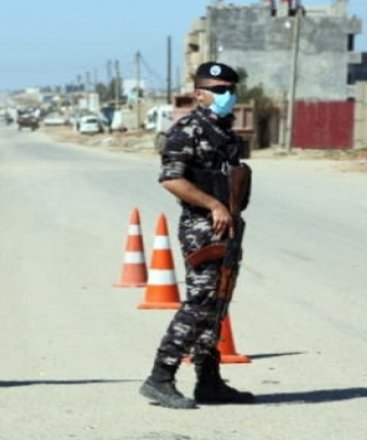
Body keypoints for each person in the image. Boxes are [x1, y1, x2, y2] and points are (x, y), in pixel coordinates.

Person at [139, 62, 255, 409]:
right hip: (202, 225)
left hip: (229, 225)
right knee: (199, 303)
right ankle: (159, 378)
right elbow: (171, 178)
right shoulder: (187, 130)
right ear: (199, 94)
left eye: (231, 90)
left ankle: (209, 381)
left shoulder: (227, 134)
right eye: (219, 90)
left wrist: (229, 213)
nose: (228, 96)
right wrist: (213, 205)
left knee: (218, 304)